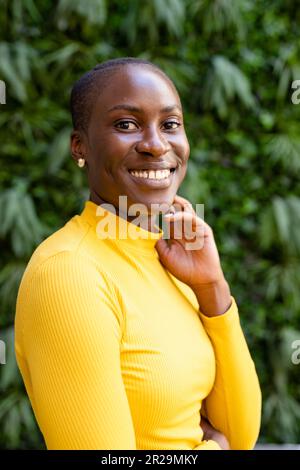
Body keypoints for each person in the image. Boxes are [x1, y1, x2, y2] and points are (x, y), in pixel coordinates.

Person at [15, 57, 261, 450]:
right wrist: (216, 448)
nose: (156, 144)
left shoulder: (173, 264)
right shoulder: (68, 273)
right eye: (126, 125)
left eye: (170, 125)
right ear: (80, 146)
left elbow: (243, 433)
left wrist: (213, 289)